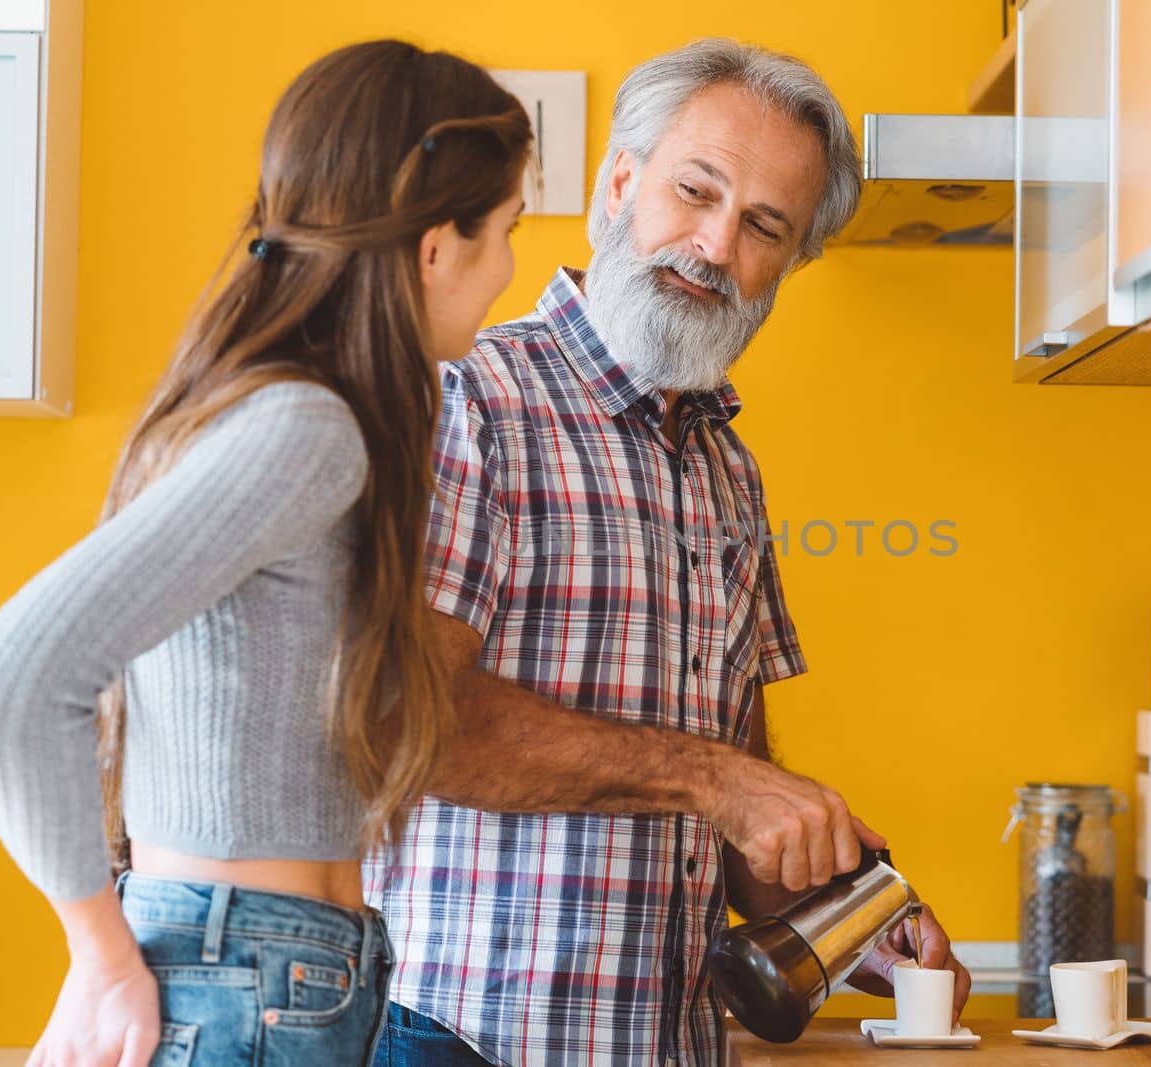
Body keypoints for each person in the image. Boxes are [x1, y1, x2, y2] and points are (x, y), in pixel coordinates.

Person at [366, 38, 971, 1066]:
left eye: (763, 226)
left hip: (667, 1042)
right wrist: (721, 783)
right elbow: (405, 721)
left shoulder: (728, 470)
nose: (715, 244)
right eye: (696, 191)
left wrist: (844, 911)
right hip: (459, 1037)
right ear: (618, 184)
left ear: (785, 267)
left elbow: (731, 791)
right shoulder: (473, 400)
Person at [0, 40, 532, 1066]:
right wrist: (97, 951)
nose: (509, 269)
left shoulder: (271, 411)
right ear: (437, 248)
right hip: (252, 977)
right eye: (508, 232)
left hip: (260, 971)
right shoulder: (307, 429)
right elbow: (1, 681)